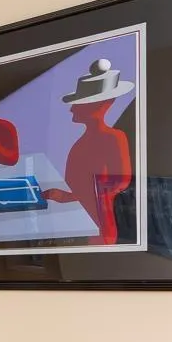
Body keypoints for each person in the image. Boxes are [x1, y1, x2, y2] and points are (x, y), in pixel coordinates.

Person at [44, 58, 135, 245]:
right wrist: (63, 196)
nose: (71, 109)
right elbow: (78, 188)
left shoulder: (113, 137)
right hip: (78, 223)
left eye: (79, 103)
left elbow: (121, 181)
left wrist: (70, 196)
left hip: (98, 227)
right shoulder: (80, 144)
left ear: (100, 105)